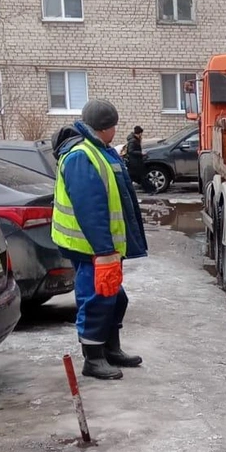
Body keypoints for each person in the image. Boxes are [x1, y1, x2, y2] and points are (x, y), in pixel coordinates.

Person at [52, 99, 148, 380]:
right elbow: (90, 209)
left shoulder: (100, 151)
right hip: (91, 247)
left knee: (115, 298)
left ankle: (109, 348)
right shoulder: (82, 156)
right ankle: (93, 359)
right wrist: (104, 250)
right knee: (97, 299)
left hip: (101, 247)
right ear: (108, 127)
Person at [125, 125, 146, 189]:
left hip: (134, 162)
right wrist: (141, 153)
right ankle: (149, 189)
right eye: (141, 133)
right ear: (139, 133)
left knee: (134, 177)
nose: (141, 135)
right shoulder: (133, 140)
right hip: (134, 162)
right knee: (138, 176)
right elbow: (130, 151)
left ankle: (127, 188)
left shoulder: (134, 139)